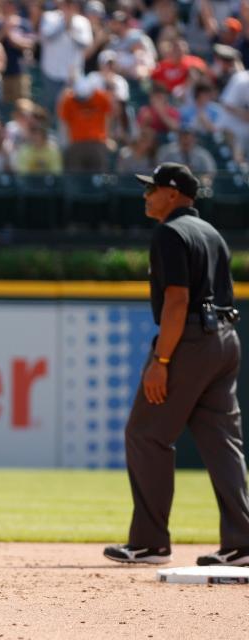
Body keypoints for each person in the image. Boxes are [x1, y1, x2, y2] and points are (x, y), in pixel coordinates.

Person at [103, 162, 249, 567]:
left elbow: (177, 300)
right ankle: (242, 542)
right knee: (223, 444)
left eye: (152, 189)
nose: (146, 196)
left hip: (189, 340)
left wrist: (162, 360)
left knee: (145, 434)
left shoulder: (170, 232)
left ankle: (150, 543)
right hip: (225, 339)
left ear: (173, 194)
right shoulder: (211, 233)